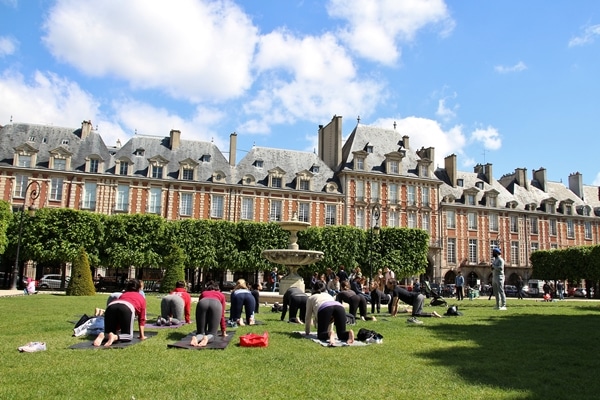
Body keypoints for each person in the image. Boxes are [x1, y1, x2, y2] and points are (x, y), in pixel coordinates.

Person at [93, 279, 146, 347]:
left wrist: (116, 329)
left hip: (111, 306)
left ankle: (104, 335)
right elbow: (142, 319)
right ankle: (114, 337)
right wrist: (142, 336)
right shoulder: (141, 297)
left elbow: (117, 315)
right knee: (128, 336)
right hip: (127, 307)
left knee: (109, 332)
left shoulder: (123, 295)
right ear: (139, 289)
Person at [304, 280, 354, 345]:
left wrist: (307, 332)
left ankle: (329, 334)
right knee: (341, 334)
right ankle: (348, 333)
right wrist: (331, 329)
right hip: (339, 307)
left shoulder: (311, 298)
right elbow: (332, 310)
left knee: (321, 335)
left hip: (325, 308)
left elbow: (308, 316)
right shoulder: (329, 295)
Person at [190, 280, 227, 347]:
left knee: (200, 332)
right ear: (218, 289)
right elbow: (222, 315)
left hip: (202, 303)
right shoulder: (221, 295)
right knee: (212, 333)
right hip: (216, 304)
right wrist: (223, 330)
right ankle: (207, 338)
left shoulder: (203, 293)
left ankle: (196, 338)